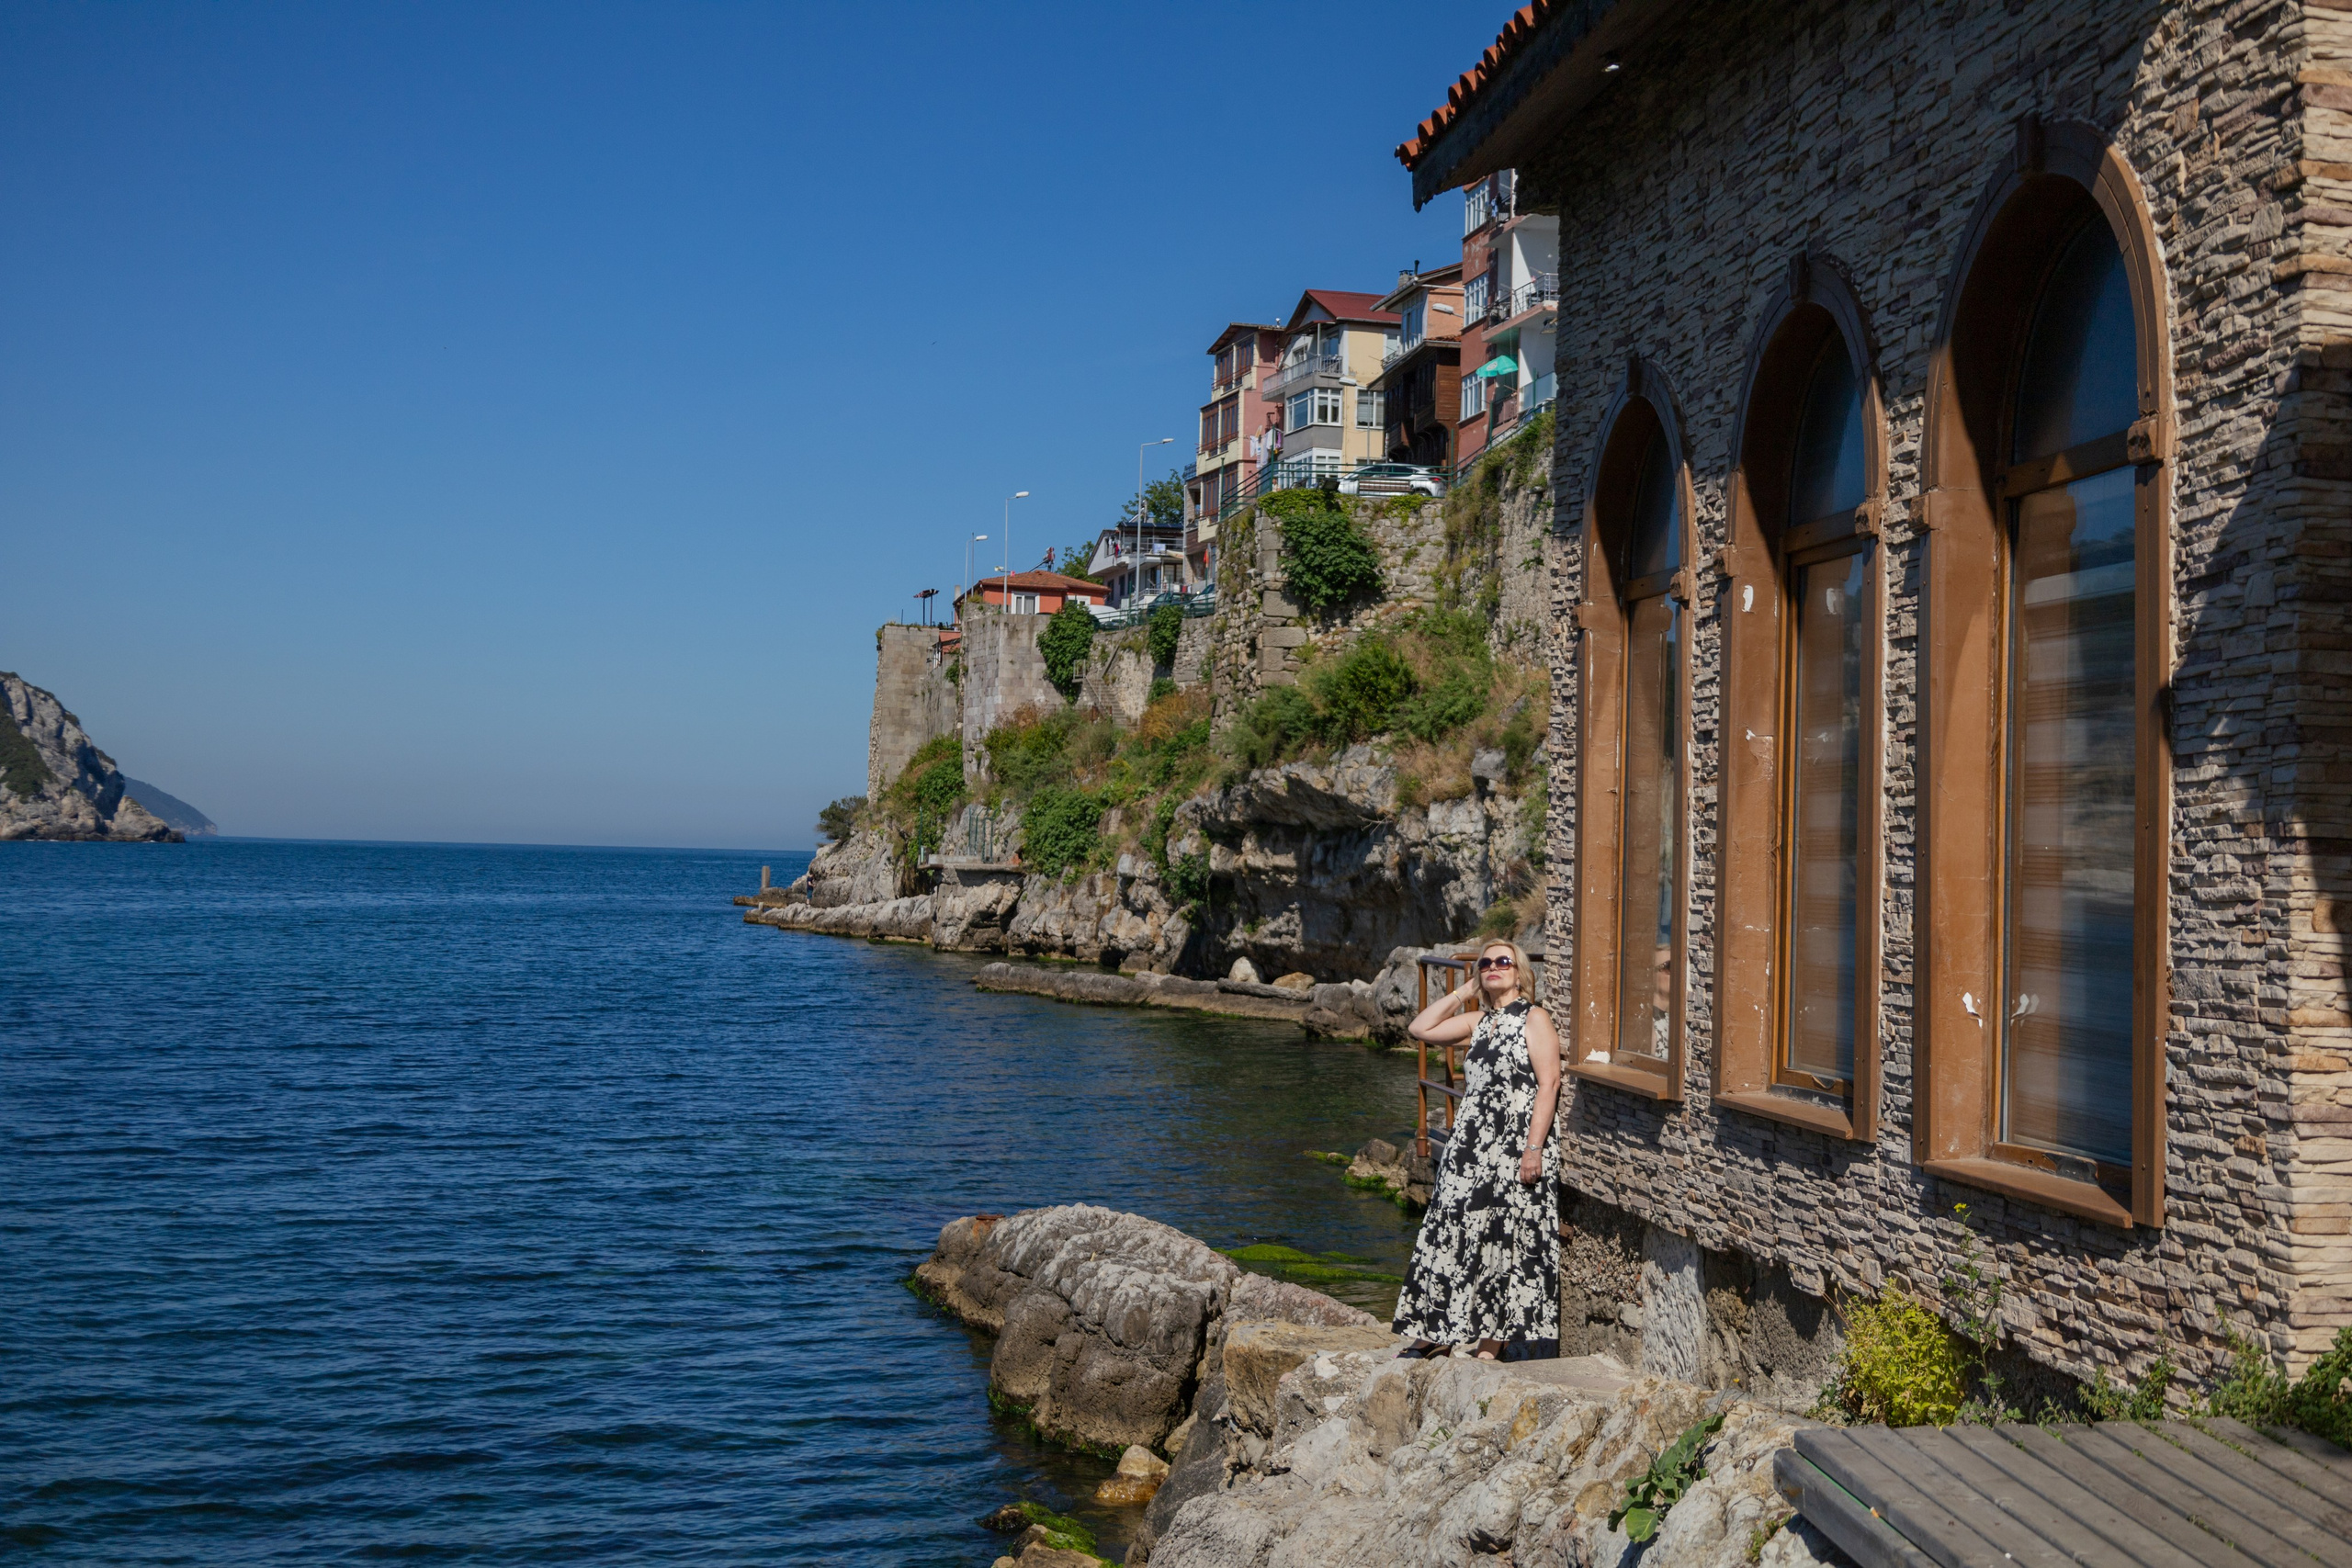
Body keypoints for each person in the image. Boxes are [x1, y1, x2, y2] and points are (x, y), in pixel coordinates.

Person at [1390, 940, 1563, 1361]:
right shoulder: (1478, 1022)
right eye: (1485, 963)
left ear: (1520, 973)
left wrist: (1533, 1149)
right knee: (1451, 1230)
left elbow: (1550, 1084)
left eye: (1503, 962)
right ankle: (1438, 1332)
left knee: (1506, 1238)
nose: (1493, 968)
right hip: (1470, 1147)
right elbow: (1421, 1029)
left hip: (1515, 1145)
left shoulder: (1535, 1018)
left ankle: (1492, 1342)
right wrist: (1462, 993)